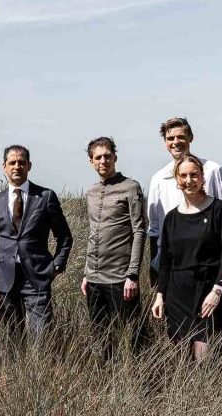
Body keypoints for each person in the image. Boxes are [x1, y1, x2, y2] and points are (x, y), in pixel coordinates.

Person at [150, 155, 222, 361]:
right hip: (177, 295)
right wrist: (160, 295)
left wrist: (218, 290)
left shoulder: (221, 210)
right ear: (177, 180)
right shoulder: (171, 217)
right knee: (182, 359)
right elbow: (166, 261)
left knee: (207, 357)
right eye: (183, 176)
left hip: (209, 292)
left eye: (194, 175)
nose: (189, 180)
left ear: (202, 177)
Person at [0, 145, 73, 342]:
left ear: (29, 165)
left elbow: (65, 237)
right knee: (10, 340)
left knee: (42, 338)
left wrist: (57, 266)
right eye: (12, 163)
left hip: (36, 276)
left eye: (21, 162)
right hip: (4, 278)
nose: (17, 166)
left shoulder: (45, 196)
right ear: (4, 167)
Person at [80, 137, 150, 360]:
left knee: (133, 335)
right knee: (101, 336)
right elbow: (93, 233)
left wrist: (133, 275)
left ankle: (139, 376)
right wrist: (86, 273)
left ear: (115, 157)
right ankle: (107, 376)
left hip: (121, 277)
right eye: (98, 157)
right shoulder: (91, 192)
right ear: (91, 161)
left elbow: (139, 231)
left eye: (107, 156)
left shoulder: (130, 187)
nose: (103, 161)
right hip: (94, 278)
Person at [147, 117, 222, 284]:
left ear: (190, 138)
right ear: (165, 142)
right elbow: (154, 228)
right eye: (170, 138)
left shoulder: (213, 170)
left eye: (181, 137)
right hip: (172, 265)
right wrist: (154, 264)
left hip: (210, 264)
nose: (176, 142)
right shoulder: (158, 179)